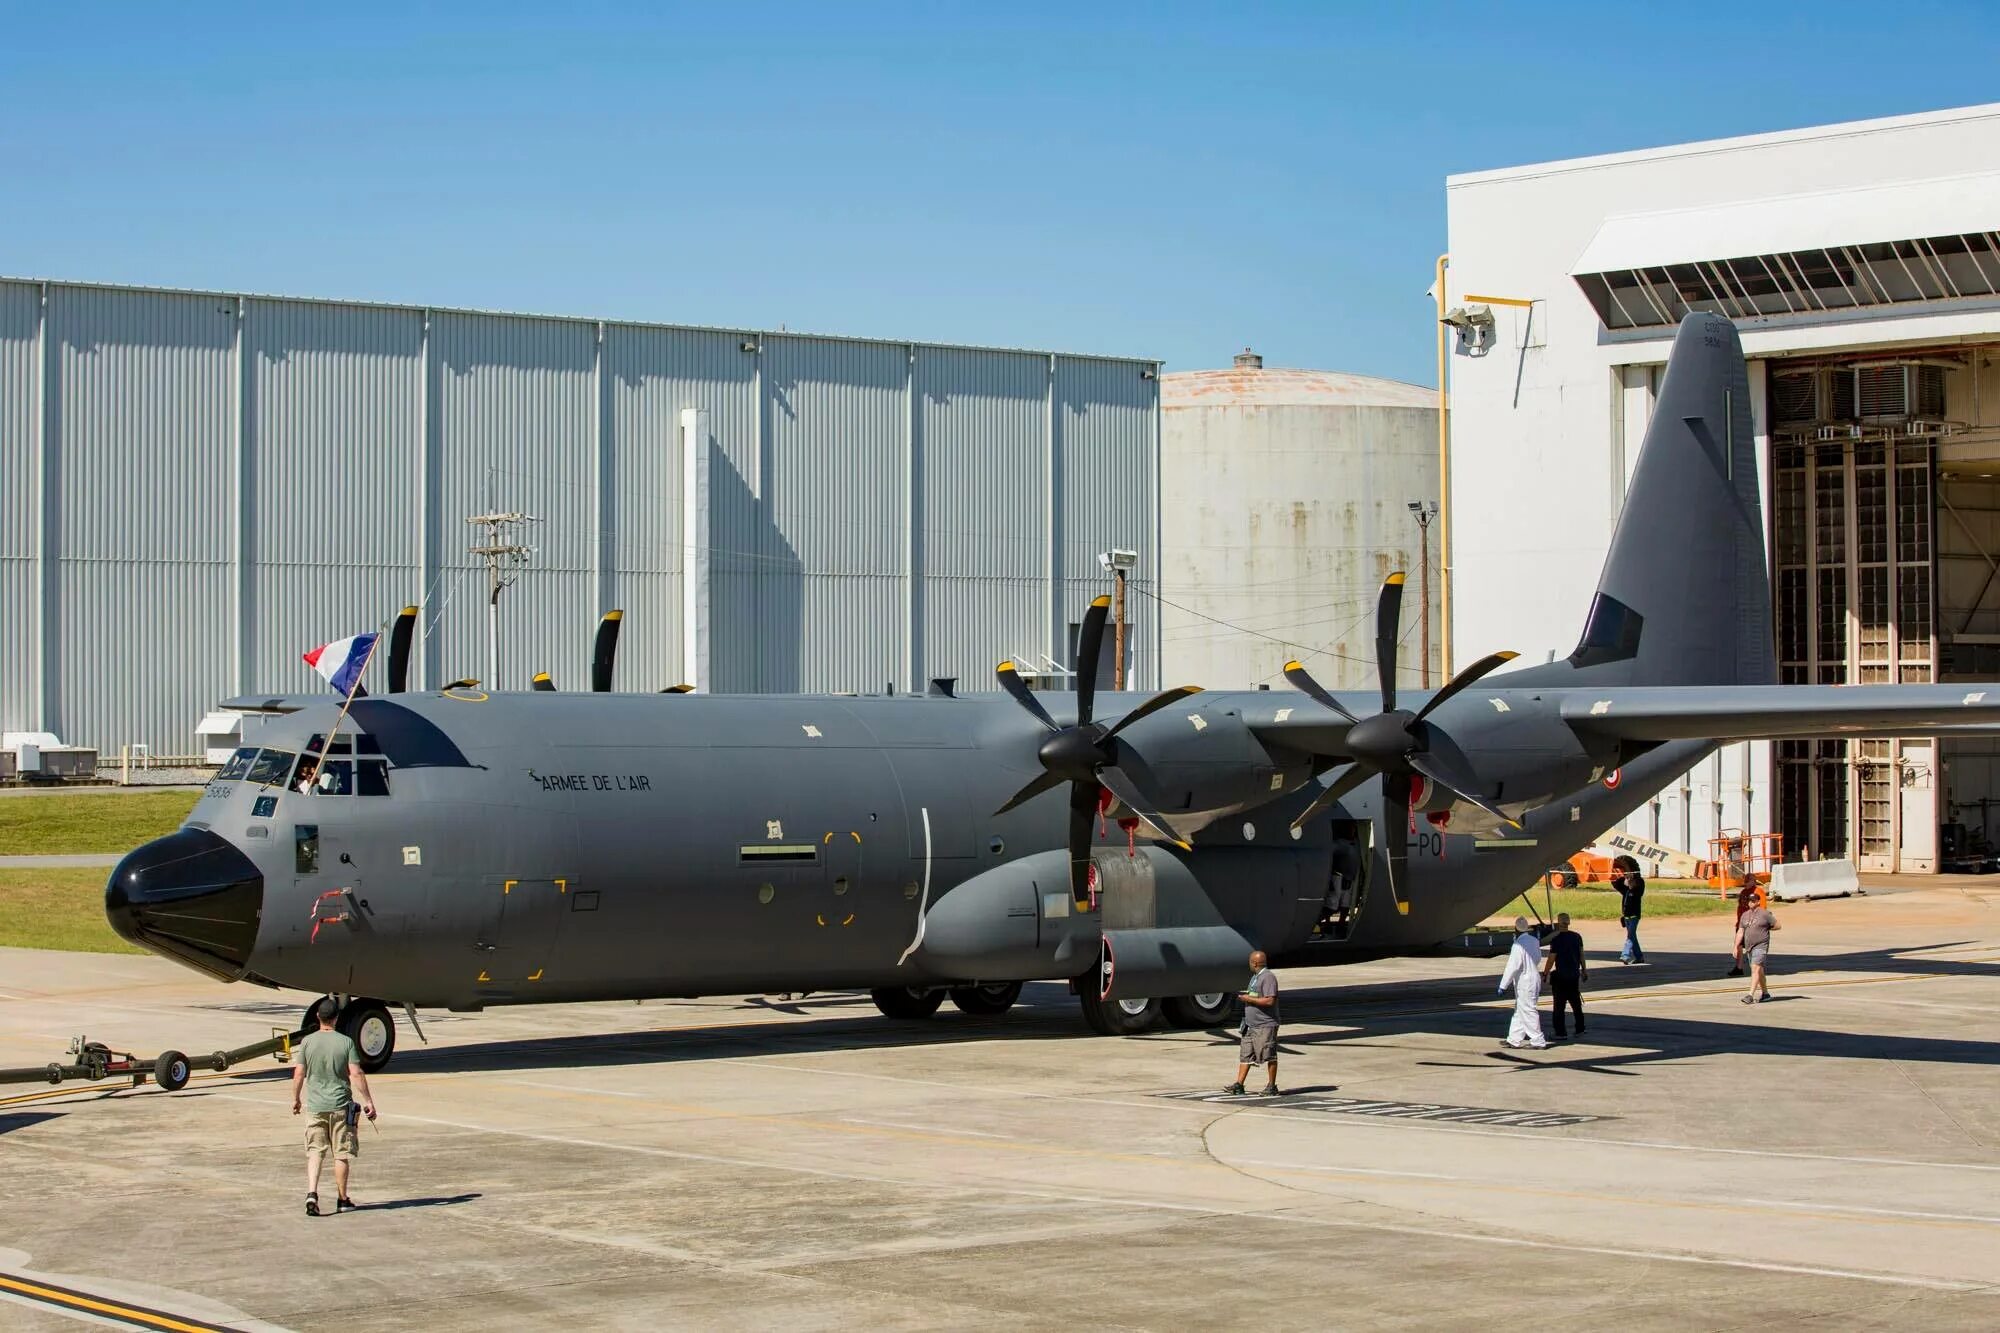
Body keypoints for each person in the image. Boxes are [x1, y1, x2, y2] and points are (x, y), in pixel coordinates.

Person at [291, 998, 377, 1215]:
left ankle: (312, 1193)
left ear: (318, 1017)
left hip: (316, 1106)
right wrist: (368, 1101)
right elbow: (356, 1073)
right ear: (336, 1019)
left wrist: (296, 1098)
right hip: (340, 1106)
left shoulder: (307, 1042)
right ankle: (342, 1199)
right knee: (341, 1154)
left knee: (315, 1153)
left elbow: (299, 1073)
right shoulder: (345, 1042)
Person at [1223, 950, 1281, 1095]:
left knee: (1269, 1054)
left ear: (1255, 963)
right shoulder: (1255, 977)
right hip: (1250, 1024)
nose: (1249, 964)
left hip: (1265, 1025)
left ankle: (1272, 1086)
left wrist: (1248, 999)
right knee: (1246, 1055)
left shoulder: (1268, 978)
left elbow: (1269, 1000)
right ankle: (1239, 1084)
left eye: (1250, 961)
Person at [1497, 917, 1547, 1049]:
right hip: (1533, 977)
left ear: (1515, 929)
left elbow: (1513, 966)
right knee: (1520, 1010)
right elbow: (1537, 958)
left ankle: (1538, 1040)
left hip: (1525, 981)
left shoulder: (1518, 945)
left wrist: (1503, 985)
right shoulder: (1534, 941)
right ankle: (1514, 1039)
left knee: (1528, 1009)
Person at [1541, 911, 1586, 1040]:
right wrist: (1584, 970)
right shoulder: (1577, 936)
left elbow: (1551, 958)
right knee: (1576, 1005)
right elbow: (1582, 955)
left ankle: (1560, 1032)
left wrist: (1545, 973)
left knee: (1559, 1007)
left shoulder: (1556, 939)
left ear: (1558, 923)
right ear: (1569, 922)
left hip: (1560, 977)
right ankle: (1580, 1029)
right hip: (1574, 975)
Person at [1734, 897, 1781, 1004]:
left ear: (1758, 902)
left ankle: (1750, 995)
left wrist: (1767, 928)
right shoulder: (1745, 915)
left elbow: (1778, 925)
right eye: (1749, 901)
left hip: (1761, 945)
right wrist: (1736, 946)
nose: (1750, 902)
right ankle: (1765, 994)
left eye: (1753, 900)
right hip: (1750, 946)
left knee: (1755, 968)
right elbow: (1740, 931)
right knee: (1759, 971)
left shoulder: (1764, 914)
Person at [1613, 854, 1647, 964]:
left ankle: (1625, 955)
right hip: (1626, 916)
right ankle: (1639, 956)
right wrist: (1620, 877)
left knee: (1630, 936)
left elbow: (1634, 886)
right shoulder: (1625, 888)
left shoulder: (1639, 883)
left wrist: (1630, 880)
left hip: (1634, 915)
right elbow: (1616, 884)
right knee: (1633, 937)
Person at [1727, 886, 1757, 977]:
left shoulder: (1758, 891)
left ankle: (1756, 967)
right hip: (1741, 924)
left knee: (1752, 946)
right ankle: (1739, 967)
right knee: (1739, 945)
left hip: (1752, 925)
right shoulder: (1743, 891)